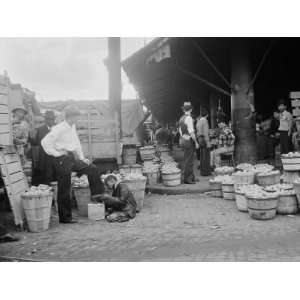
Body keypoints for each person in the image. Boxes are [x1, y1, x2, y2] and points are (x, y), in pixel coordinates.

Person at [41, 105, 105, 224]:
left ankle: (98, 197)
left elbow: (76, 143)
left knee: (92, 169)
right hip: (61, 159)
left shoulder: (72, 126)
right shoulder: (59, 128)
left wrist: (82, 158)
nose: (78, 119)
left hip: (70, 157)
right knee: (64, 187)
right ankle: (65, 217)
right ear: (70, 116)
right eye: (77, 116)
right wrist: (56, 154)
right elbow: (44, 142)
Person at [29, 110, 56, 185]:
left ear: (54, 119)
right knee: (47, 178)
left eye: (52, 119)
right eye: (48, 119)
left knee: (57, 179)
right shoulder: (40, 130)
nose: (50, 121)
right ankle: (48, 195)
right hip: (45, 159)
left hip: (57, 158)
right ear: (45, 120)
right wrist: (31, 138)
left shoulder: (58, 129)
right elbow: (35, 143)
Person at [178, 101, 199, 184]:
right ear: (190, 110)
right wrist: (196, 142)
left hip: (183, 140)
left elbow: (180, 131)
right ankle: (187, 179)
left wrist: (183, 137)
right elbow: (191, 132)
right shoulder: (189, 118)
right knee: (189, 160)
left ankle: (192, 177)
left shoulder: (181, 118)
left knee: (188, 159)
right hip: (189, 141)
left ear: (184, 110)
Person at [196, 108, 211, 176]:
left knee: (202, 155)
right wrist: (208, 142)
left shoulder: (199, 121)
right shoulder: (205, 121)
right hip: (204, 139)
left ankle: (202, 171)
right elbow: (205, 132)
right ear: (207, 115)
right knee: (206, 156)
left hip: (199, 139)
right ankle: (206, 172)